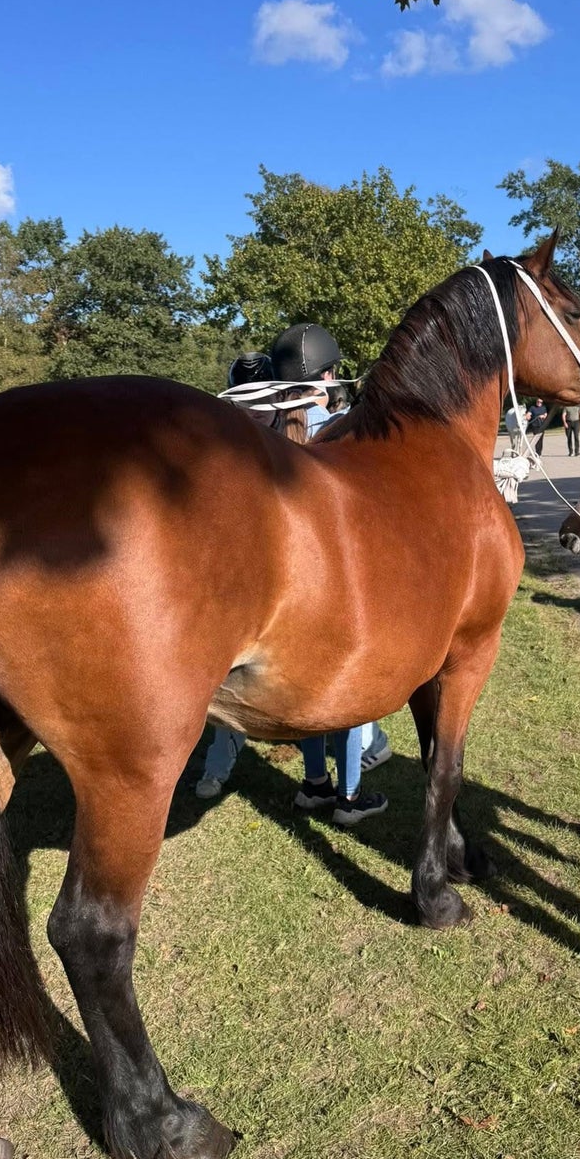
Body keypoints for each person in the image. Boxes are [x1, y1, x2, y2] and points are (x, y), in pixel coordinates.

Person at [269, 322, 389, 825]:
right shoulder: (341, 426)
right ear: (330, 373)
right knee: (347, 695)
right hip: (335, 573)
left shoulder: (268, 424)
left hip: (287, 577)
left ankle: (315, 784)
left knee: (309, 688)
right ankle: (349, 798)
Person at [196, 351, 274, 799]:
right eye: (245, 403)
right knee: (222, 669)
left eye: (260, 402)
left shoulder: (299, 441)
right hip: (234, 576)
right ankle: (217, 765)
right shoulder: (221, 449)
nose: (253, 411)